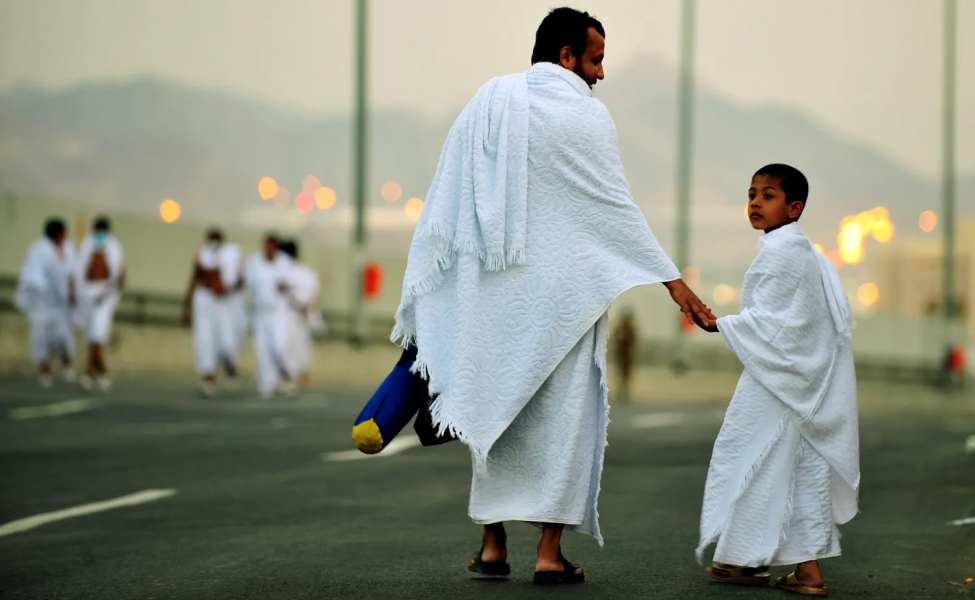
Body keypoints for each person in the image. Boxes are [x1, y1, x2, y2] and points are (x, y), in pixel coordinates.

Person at [390, 7, 714, 584]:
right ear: (567, 56)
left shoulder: (488, 101)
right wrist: (674, 282)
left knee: (495, 412)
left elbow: (451, 196)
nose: (602, 74)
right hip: (564, 301)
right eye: (596, 59)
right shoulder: (585, 117)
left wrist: (453, 286)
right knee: (564, 422)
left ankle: (492, 547)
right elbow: (612, 207)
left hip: (493, 297)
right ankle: (547, 554)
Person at [695, 164, 860, 597]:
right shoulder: (802, 252)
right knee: (782, 466)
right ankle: (757, 562)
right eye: (751, 193)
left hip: (779, 381)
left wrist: (722, 326)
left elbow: (777, 325)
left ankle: (787, 567)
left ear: (794, 208)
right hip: (796, 380)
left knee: (755, 459)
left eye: (768, 195)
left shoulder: (782, 252)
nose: (754, 202)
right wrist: (734, 326)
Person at [15, 218, 77, 387]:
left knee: (64, 336)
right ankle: (44, 370)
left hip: (61, 302)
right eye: (63, 232)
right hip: (42, 302)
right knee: (40, 337)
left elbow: (72, 272)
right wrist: (39, 288)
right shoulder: (39, 250)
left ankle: (67, 365)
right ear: (56, 233)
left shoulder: (68, 249)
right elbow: (32, 273)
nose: (66, 235)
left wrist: (72, 292)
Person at [182, 228, 241, 397]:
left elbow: (236, 280)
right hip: (204, 300)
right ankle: (208, 378)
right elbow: (194, 278)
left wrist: (227, 288)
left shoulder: (230, 255)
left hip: (223, 303)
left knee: (225, 343)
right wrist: (186, 306)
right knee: (204, 340)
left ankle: (230, 369)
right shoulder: (201, 253)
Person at [75, 216, 124, 392]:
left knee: (97, 334)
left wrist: (110, 294)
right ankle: (102, 373)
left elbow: (118, 273)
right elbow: (80, 269)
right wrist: (77, 292)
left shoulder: (114, 246)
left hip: (105, 295)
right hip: (88, 293)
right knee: (91, 336)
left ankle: (89, 372)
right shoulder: (87, 243)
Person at [245, 233, 296, 398]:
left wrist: (281, 284)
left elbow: (288, 283)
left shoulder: (284, 261)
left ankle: (286, 375)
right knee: (262, 348)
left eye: (271, 246)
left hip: (278, 312)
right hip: (260, 312)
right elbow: (249, 284)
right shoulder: (254, 262)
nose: (268, 249)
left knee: (278, 346)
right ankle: (268, 382)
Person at [278, 239, 323, 387]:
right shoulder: (307, 272)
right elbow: (315, 294)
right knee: (300, 345)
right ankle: (298, 375)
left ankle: (295, 376)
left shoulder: (288, 272)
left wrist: (303, 307)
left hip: (293, 314)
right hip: (301, 313)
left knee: (293, 345)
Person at [612, 308, 638, 404]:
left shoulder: (630, 328)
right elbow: (615, 339)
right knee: (620, 375)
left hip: (627, 356)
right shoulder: (620, 328)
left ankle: (625, 392)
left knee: (626, 376)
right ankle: (620, 392)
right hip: (621, 355)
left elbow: (633, 341)